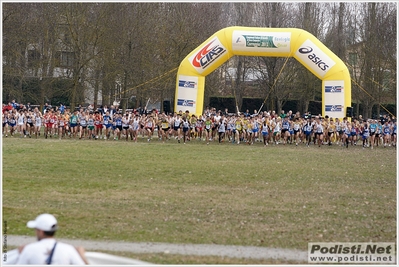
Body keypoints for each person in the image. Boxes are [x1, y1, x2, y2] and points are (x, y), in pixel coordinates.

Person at [16, 213, 88, 265]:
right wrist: (82, 256)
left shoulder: (29, 250)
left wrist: (21, 255)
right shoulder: (68, 250)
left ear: (41, 232)